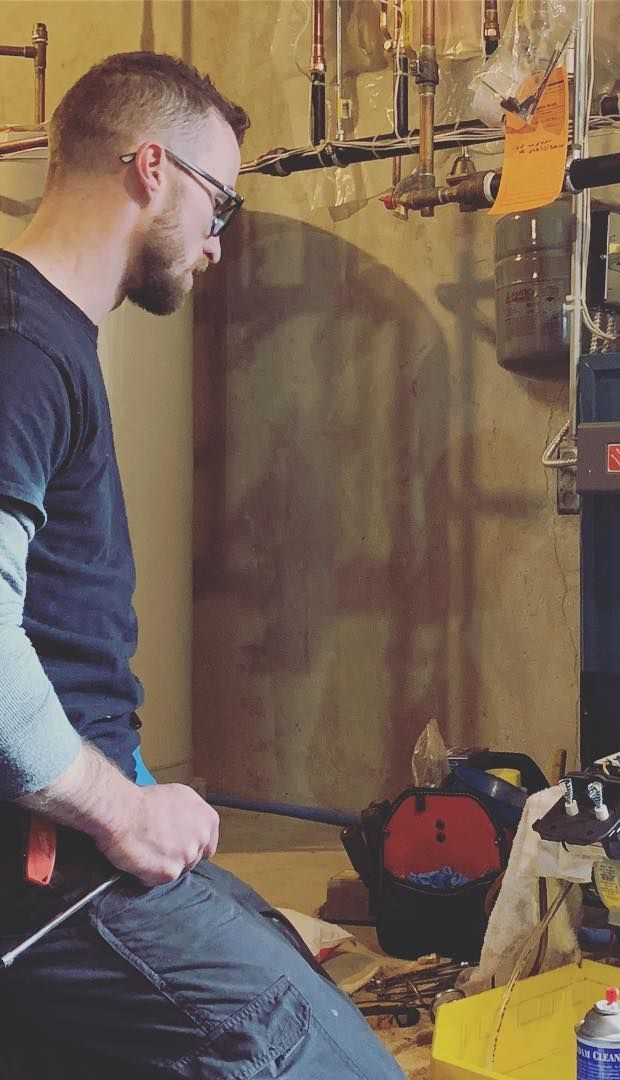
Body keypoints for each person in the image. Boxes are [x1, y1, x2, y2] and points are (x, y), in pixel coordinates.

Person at [0, 52, 404, 1078]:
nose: (219, 243)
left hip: (65, 848)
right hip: (51, 877)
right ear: (151, 170)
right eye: (218, 203)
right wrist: (126, 810)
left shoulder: (47, 342)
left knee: (285, 964)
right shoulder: (22, 349)